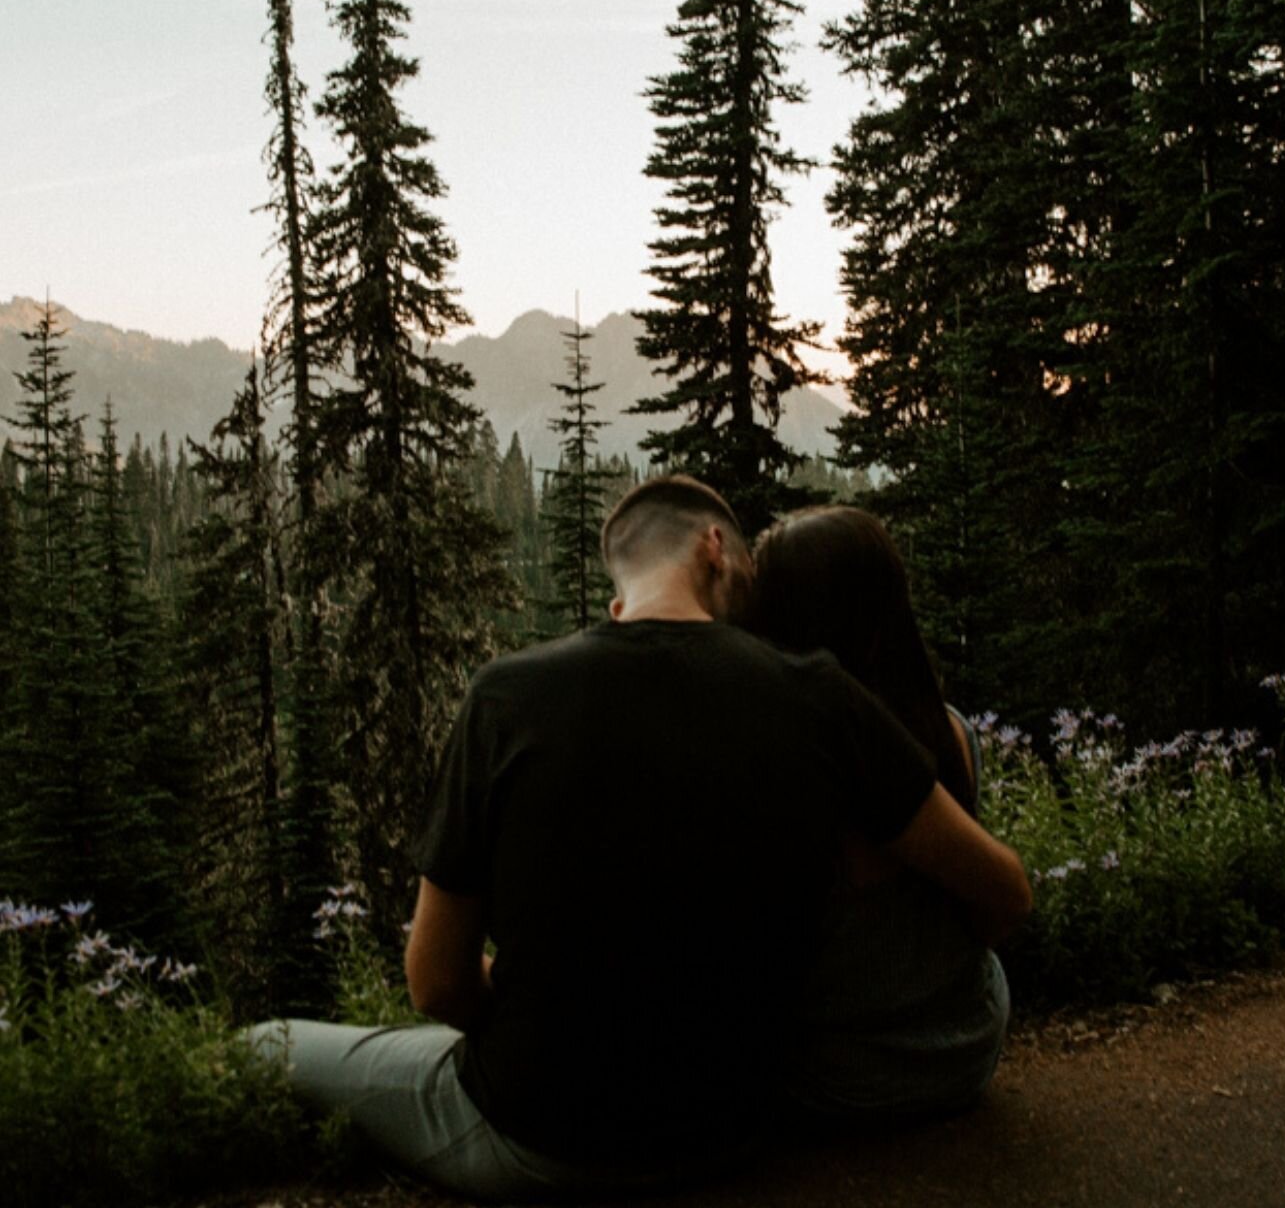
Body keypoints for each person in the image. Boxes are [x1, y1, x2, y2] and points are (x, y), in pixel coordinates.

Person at [246, 474, 1034, 1200]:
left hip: (543, 1135)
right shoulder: (818, 699)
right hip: (735, 1128)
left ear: (617, 597)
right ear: (715, 546)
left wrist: (540, 1012)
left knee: (270, 1043)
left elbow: (437, 986)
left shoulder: (505, 698)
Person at [741, 504, 1008, 1122]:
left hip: (829, 1075)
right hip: (965, 1047)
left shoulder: (788, 765)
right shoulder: (953, 736)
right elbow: (989, 913)